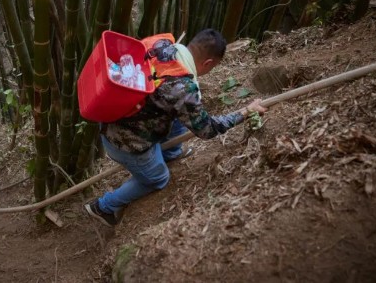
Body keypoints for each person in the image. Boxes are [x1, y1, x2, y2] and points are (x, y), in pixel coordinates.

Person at [84, 29, 267, 227]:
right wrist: (245, 112)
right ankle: (103, 207)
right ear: (208, 63)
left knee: (180, 114)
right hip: (126, 143)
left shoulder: (161, 44)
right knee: (157, 179)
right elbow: (207, 130)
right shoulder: (182, 88)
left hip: (118, 121)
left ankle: (171, 153)